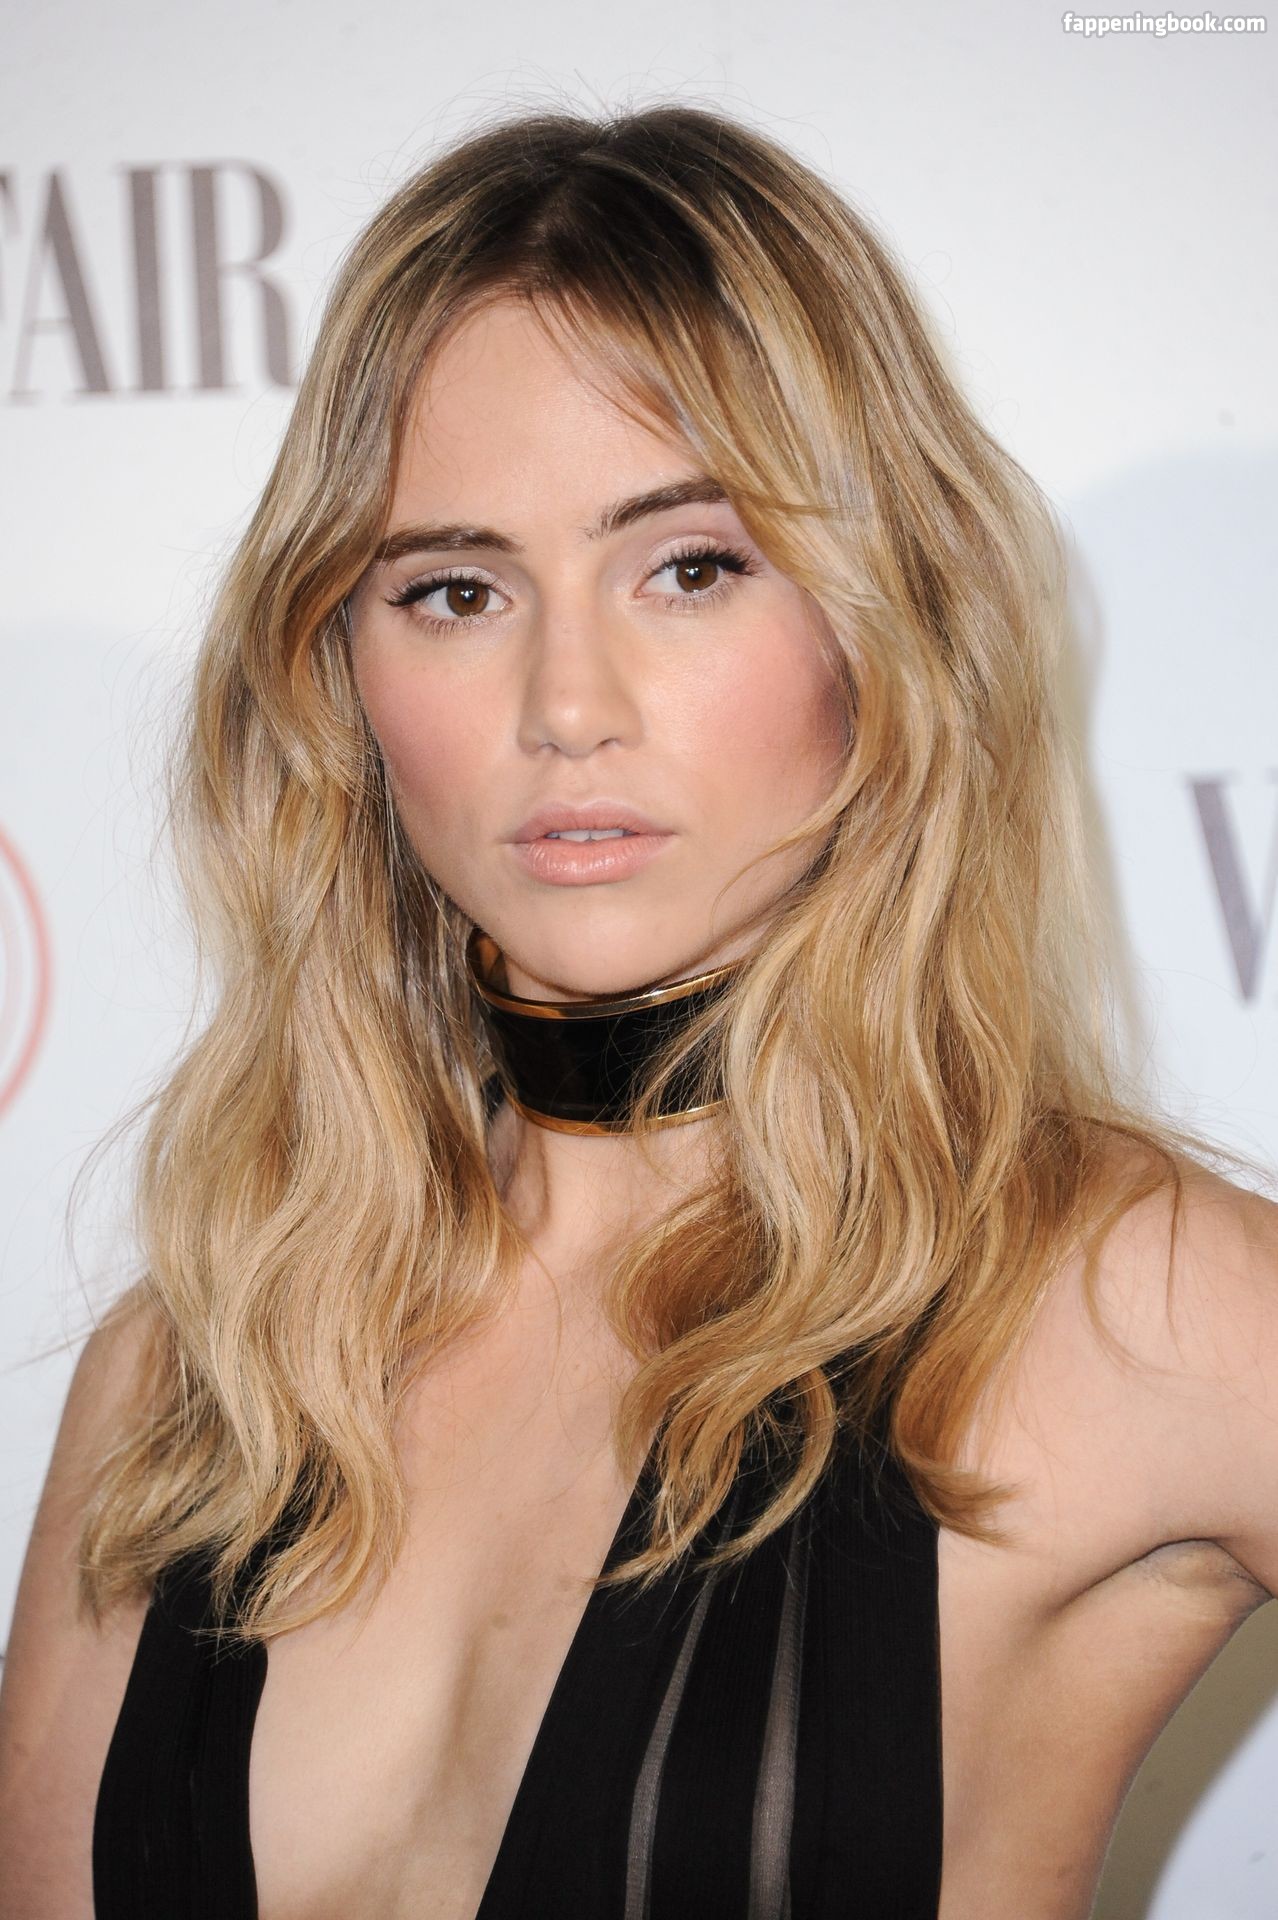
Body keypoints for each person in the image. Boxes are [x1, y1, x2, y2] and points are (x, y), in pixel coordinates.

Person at [0, 100, 1275, 1920]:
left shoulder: (1119, 1305)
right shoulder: (191, 1374)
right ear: (341, 672)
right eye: (455, 590)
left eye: (689, 566)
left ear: (880, 624)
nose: (565, 702)